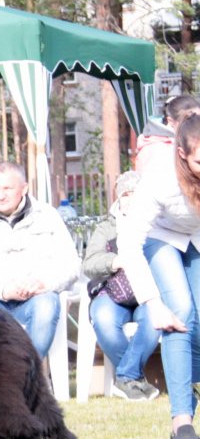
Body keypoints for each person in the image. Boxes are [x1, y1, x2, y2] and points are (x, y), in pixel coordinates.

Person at [117, 112, 200, 439]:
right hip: (160, 238)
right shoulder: (160, 177)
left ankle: (186, 382)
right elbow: (129, 242)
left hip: (197, 236)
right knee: (179, 311)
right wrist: (153, 304)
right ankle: (182, 422)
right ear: (182, 154)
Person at [0, 161, 80, 358]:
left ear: (24, 188)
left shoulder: (47, 216)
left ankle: (24, 376)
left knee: (47, 304)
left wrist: (43, 283)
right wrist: (3, 290)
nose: (0, 195)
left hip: (36, 298)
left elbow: (70, 265)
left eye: (7, 188)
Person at [82, 171, 160, 401]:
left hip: (149, 292)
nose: (131, 198)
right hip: (113, 291)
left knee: (154, 318)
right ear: (118, 198)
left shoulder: (158, 224)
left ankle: (126, 377)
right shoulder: (106, 227)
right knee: (102, 318)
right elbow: (89, 263)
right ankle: (134, 379)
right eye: (126, 194)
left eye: (136, 193)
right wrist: (116, 261)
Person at [135, 94, 200, 174]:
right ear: (171, 121)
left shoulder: (172, 143)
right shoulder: (160, 150)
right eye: (189, 120)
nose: (196, 124)